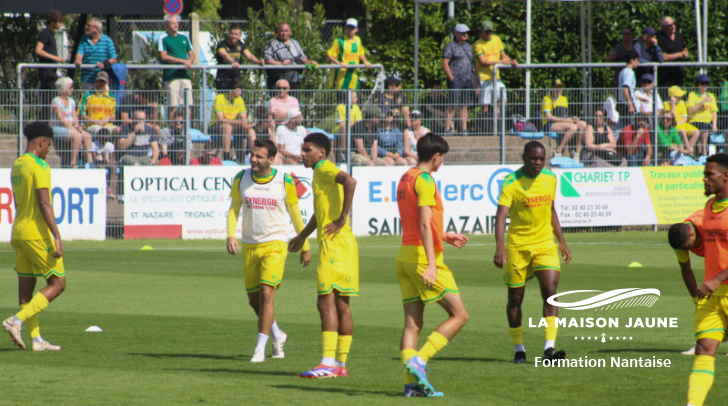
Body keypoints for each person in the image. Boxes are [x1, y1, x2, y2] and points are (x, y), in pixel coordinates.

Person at [395, 133, 469, 397]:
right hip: (422, 258)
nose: (441, 164)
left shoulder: (406, 176)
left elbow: (419, 220)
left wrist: (445, 236)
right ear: (436, 156)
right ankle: (420, 360)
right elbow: (424, 223)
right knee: (460, 315)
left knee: (412, 324)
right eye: (443, 159)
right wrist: (432, 264)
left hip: (405, 256)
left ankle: (411, 387)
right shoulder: (425, 180)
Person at [226, 139, 312, 362]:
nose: (254, 159)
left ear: (272, 159)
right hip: (250, 246)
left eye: (260, 156)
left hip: (276, 244)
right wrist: (230, 235)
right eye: (252, 154)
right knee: (255, 302)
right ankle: (277, 334)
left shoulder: (285, 181)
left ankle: (259, 350)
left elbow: (295, 213)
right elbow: (234, 209)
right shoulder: (240, 178)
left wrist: (305, 246)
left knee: (267, 294)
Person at [493, 141, 571, 364]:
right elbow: (500, 216)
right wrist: (500, 246)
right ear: (523, 157)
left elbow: (551, 209)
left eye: (541, 159)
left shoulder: (550, 178)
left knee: (550, 290)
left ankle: (549, 348)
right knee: (515, 299)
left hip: (545, 244)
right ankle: (519, 349)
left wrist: (562, 241)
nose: (538, 163)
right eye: (533, 159)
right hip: (518, 247)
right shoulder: (511, 182)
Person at [289, 133, 359, 379]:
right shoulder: (320, 172)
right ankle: (340, 365)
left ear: (321, 152)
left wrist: (343, 217)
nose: (302, 154)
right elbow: (320, 215)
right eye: (303, 149)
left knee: (324, 302)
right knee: (342, 305)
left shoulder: (323, 167)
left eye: (307, 149)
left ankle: (328, 363)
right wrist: (302, 236)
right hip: (343, 245)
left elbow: (351, 181)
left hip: (335, 246)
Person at [3, 122, 66, 351]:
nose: (49, 150)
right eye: (49, 145)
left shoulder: (17, 165)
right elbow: (44, 203)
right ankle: (15, 321)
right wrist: (56, 236)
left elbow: (19, 203)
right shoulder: (39, 166)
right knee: (58, 283)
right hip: (36, 234)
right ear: (41, 142)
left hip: (18, 232)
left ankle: (37, 340)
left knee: (26, 289)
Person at [680, 153, 728, 406]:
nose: (704, 179)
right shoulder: (708, 209)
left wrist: (719, 277)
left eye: (709, 174)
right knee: (704, 349)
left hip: (720, 285)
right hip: (712, 296)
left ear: (726, 176)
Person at [668, 211, 728, 356]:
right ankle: (703, 343)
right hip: (719, 265)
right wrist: (696, 298)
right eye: (684, 249)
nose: (686, 250)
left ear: (691, 233)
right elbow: (686, 270)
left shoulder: (711, 228)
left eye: (688, 247)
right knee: (706, 306)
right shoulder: (680, 239)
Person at [473, 20, 517, 115]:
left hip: (496, 78)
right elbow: (482, 62)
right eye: (486, 31)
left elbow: (503, 55)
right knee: (485, 104)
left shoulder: (497, 39)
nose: (488, 33)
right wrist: (500, 62)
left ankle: (497, 123)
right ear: (482, 32)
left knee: (502, 98)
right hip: (484, 78)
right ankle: (485, 125)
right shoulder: (477, 44)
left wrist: (511, 61)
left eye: (490, 31)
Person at [540, 79, 591, 161]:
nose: (559, 90)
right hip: (549, 124)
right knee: (573, 128)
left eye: (560, 88)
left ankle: (577, 152)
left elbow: (564, 115)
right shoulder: (546, 99)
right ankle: (558, 151)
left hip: (562, 122)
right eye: (557, 88)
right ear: (552, 88)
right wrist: (566, 121)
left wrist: (573, 119)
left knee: (582, 124)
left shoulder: (564, 99)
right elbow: (549, 117)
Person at [51, 77, 93, 168]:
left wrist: (77, 126)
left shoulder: (72, 101)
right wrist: (72, 128)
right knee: (77, 136)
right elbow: (60, 118)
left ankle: (89, 163)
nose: (72, 89)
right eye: (70, 88)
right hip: (58, 127)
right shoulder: (56, 101)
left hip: (71, 128)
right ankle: (73, 163)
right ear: (63, 89)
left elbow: (74, 116)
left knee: (87, 136)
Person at [158, 15, 195, 114]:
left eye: (177, 23)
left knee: (188, 103)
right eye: (173, 23)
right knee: (172, 104)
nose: (176, 25)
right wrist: (182, 61)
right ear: (167, 25)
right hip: (171, 76)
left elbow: (191, 54)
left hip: (184, 75)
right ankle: (172, 127)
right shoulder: (163, 38)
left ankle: (187, 128)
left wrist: (189, 61)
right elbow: (163, 56)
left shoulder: (184, 37)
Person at [264, 22, 318, 90]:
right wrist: (281, 64)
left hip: (293, 81)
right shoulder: (271, 43)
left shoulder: (295, 43)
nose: (284, 33)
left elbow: (302, 57)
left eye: (286, 31)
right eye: (282, 31)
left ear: (290, 32)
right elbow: (267, 60)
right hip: (277, 82)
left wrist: (308, 62)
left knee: (296, 100)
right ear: (277, 31)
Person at [209, 79, 252, 162]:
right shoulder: (219, 98)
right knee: (227, 127)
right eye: (238, 91)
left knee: (249, 128)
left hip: (234, 126)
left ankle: (250, 153)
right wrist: (240, 122)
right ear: (231, 91)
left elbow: (244, 117)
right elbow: (221, 119)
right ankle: (226, 156)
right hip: (216, 126)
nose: (240, 93)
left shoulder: (239, 100)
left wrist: (244, 124)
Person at [442, 24, 473, 135]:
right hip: (456, 80)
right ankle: (447, 129)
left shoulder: (469, 47)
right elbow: (445, 64)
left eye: (466, 33)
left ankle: (464, 129)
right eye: (463, 33)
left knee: (465, 105)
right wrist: (451, 78)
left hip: (467, 80)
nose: (465, 35)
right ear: (456, 34)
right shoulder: (450, 46)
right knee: (452, 104)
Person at [215, 23, 265, 90]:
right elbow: (224, 55)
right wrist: (232, 62)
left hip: (236, 79)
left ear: (240, 36)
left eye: (236, 34)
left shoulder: (241, 44)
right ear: (229, 33)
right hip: (223, 79)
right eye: (232, 34)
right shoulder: (221, 44)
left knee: (238, 100)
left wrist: (258, 61)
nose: (233, 36)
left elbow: (249, 55)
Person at [326, 18, 371, 90]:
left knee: (353, 97)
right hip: (342, 73)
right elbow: (329, 54)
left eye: (352, 28)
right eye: (348, 27)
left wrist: (365, 62)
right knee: (341, 97)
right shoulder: (339, 41)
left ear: (356, 29)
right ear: (345, 28)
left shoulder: (358, 40)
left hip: (354, 74)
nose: (350, 30)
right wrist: (339, 63)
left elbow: (361, 52)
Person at [36, 11, 65, 122]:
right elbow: (38, 50)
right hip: (46, 72)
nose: (60, 24)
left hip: (52, 71)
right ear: (52, 22)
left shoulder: (51, 34)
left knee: (51, 98)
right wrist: (55, 58)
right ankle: (43, 123)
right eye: (59, 22)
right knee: (49, 97)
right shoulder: (45, 33)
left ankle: (48, 122)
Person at [73, 18, 117, 90]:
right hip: (86, 79)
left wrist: (104, 64)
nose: (86, 27)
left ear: (97, 28)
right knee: (88, 100)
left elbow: (113, 58)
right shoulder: (83, 39)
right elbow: (80, 53)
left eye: (88, 26)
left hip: (102, 79)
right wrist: (78, 60)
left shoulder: (107, 40)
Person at [78, 71, 120, 136]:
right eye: (99, 81)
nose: (100, 83)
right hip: (92, 125)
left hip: (107, 125)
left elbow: (114, 116)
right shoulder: (88, 94)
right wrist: (95, 121)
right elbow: (81, 114)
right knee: (101, 131)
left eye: (103, 81)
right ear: (95, 81)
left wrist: (108, 118)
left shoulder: (112, 97)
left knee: (119, 130)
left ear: (107, 82)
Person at [687, 74, 719, 157]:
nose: (705, 86)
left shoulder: (711, 96)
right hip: (694, 121)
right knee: (703, 127)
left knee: (705, 127)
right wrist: (702, 102)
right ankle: (701, 152)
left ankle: (703, 152)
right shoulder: (692, 95)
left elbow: (714, 111)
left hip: (707, 122)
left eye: (706, 84)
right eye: (703, 84)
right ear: (698, 84)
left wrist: (714, 125)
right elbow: (690, 111)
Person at [664, 85, 700, 155]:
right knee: (682, 131)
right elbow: (671, 116)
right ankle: (689, 152)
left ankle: (689, 149)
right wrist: (673, 104)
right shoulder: (666, 104)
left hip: (681, 123)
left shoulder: (682, 103)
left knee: (696, 132)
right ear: (672, 97)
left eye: (680, 96)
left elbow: (685, 118)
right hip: (672, 125)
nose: (680, 97)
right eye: (677, 96)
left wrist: (678, 123)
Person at [657, 16, 689, 89]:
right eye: (669, 26)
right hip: (666, 77)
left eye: (673, 24)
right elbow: (663, 56)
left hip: (678, 74)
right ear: (664, 27)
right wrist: (679, 55)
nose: (672, 27)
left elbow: (684, 48)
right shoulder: (660, 38)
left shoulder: (678, 35)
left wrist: (685, 52)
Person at [617, 50, 640, 128]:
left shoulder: (623, 71)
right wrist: (630, 105)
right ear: (631, 60)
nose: (638, 63)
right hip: (627, 105)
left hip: (623, 104)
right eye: (637, 60)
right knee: (629, 128)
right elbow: (625, 89)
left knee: (623, 127)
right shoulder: (629, 72)